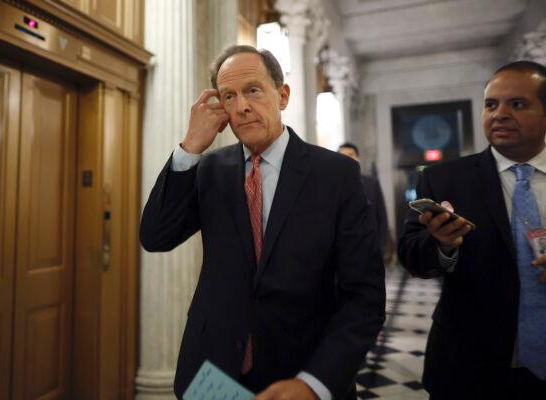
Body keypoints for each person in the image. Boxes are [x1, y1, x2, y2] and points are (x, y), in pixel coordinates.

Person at [141, 45, 385, 400]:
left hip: (301, 371)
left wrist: (314, 383)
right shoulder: (209, 169)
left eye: (252, 90)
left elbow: (364, 298)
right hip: (215, 373)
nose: (241, 106)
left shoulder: (336, 175)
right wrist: (190, 147)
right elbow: (156, 236)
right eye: (228, 96)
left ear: (282, 95)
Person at [398, 60, 546, 400]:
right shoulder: (445, 179)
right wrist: (441, 244)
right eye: (491, 105)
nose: (500, 114)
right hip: (468, 366)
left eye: (518, 104)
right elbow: (412, 256)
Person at [338, 143, 389, 261]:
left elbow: (381, 215)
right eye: (342, 155)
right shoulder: (332, 185)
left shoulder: (372, 183)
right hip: (342, 251)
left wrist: (381, 246)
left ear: (358, 158)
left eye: (351, 155)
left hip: (370, 247)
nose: (347, 158)